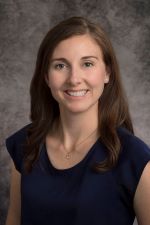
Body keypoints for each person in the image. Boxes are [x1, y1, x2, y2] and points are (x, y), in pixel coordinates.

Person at [5, 16, 150, 225]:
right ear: (46, 76)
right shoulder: (24, 145)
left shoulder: (135, 158)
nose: (74, 79)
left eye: (88, 64)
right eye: (60, 66)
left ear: (107, 72)